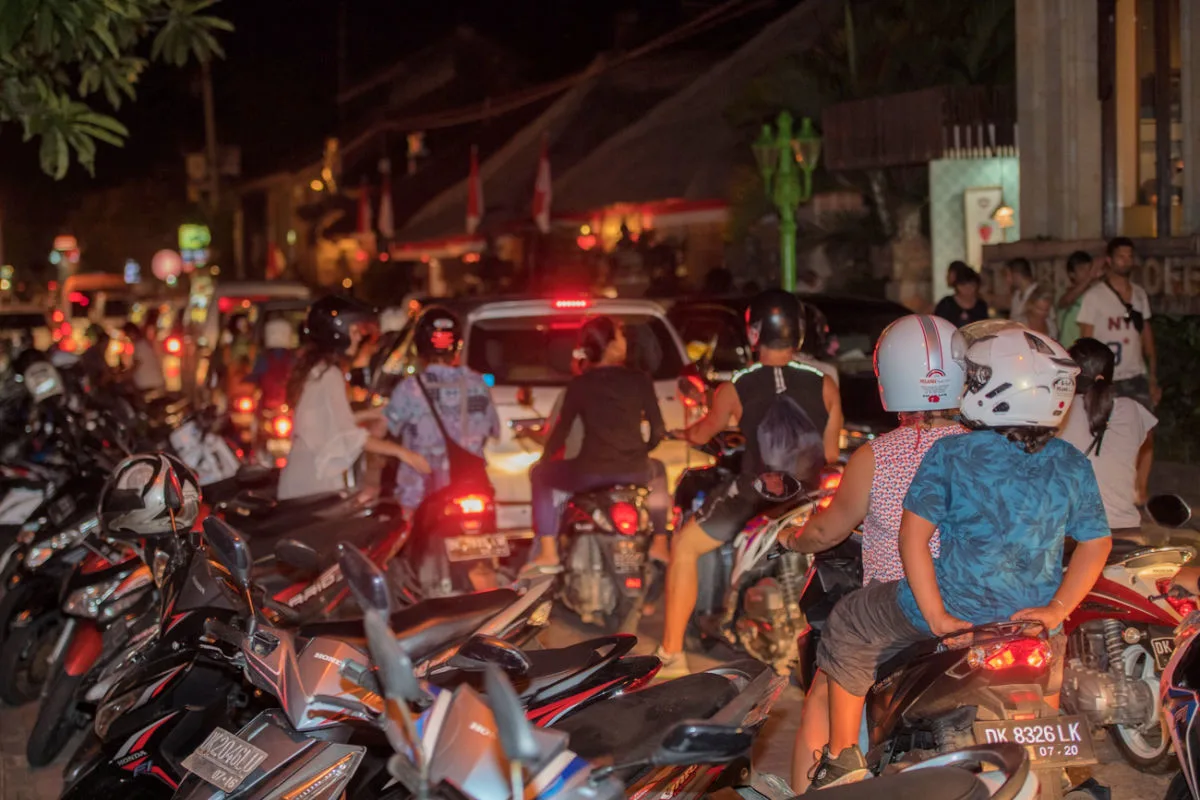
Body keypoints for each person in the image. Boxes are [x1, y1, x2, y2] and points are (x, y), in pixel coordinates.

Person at [807, 326, 1112, 789]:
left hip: (957, 610)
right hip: (1032, 623)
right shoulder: (1071, 461)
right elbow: (1096, 543)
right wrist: (1057, 610)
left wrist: (935, 615)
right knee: (1049, 673)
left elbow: (913, 539)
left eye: (974, 379)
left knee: (849, 620)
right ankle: (1045, 748)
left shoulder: (953, 453)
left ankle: (841, 757)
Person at [782, 314, 967, 791]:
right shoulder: (987, 450)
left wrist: (791, 538)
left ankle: (835, 772)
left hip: (898, 617)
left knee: (824, 687)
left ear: (890, 379)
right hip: (979, 604)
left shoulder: (877, 457)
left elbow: (825, 533)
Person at [657, 289, 843, 678]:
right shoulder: (825, 384)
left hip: (756, 493)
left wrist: (684, 431)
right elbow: (829, 453)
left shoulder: (736, 387)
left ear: (754, 333)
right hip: (810, 496)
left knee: (684, 545)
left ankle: (671, 652)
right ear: (800, 332)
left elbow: (703, 432)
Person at [524, 316, 667, 573]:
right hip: (635, 469)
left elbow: (561, 433)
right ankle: (659, 541)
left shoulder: (579, 384)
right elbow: (658, 431)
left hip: (589, 473)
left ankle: (548, 551)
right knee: (659, 470)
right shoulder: (639, 380)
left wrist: (544, 460)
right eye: (621, 336)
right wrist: (639, 452)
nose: (625, 341)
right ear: (611, 346)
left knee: (540, 475)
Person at [278, 296, 428, 501]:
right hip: (313, 484)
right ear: (338, 333)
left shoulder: (319, 370)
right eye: (355, 331)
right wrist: (404, 453)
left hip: (304, 477)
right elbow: (348, 435)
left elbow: (328, 422)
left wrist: (371, 413)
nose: (359, 338)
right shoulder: (329, 375)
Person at [383, 306, 500, 515]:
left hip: (422, 494)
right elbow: (493, 430)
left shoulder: (411, 388)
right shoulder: (478, 384)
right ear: (457, 346)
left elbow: (385, 428)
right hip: (471, 484)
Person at [1076, 236, 1158, 505]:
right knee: (1105, 432)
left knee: (1145, 432)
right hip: (1107, 378)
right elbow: (1085, 339)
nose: (1126, 261)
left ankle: (1140, 490)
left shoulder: (1139, 295)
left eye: (1129, 256)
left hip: (1135, 374)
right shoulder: (1094, 297)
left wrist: (1153, 375)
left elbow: (1146, 337)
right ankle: (1107, 490)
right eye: (1121, 256)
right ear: (1109, 260)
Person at [1059, 338, 1157, 537]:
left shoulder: (1058, 411)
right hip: (1126, 531)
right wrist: (1140, 489)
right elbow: (1147, 444)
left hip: (1074, 537)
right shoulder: (1133, 410)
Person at [246, 317, 298, 410]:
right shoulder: (293, 357)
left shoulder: (264, 357)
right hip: (285, 404)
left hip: (274, 404)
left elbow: (255, 375)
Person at [1057, 250, 1098, 349]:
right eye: (1082, 269)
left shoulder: (1097, 295)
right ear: (1071, 274)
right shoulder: (1065, 295)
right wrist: (1090, 278)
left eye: (1089, 269)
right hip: (1067, 352)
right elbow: (1066, 301)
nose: (1087, 273)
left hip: (1087, 352)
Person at [933, 262, 990, 328]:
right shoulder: (946, 304)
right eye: (963, 285)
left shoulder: (981, 306)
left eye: (972, 285)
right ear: (956, 286)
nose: (968, 289)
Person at [124, 321, 165, 392]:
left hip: (148, 386)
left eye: (127, 335)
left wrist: (123, 376)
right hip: (153, 384)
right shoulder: (143, 344)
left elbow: (136, 365)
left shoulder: (140, 346)